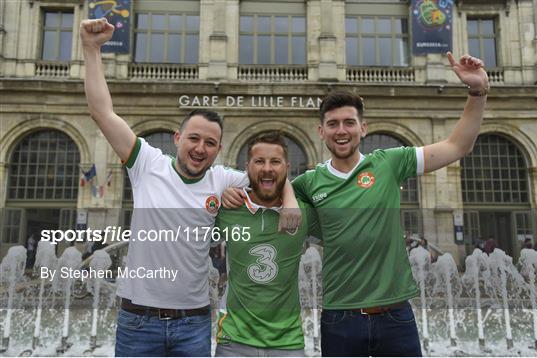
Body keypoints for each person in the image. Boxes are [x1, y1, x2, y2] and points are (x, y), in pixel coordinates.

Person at [80, 18, 300, 356]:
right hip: (139, 320)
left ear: (219, 149)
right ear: (177, 138)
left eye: (210, 143)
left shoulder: (222, 178)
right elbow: (102, 113)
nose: (200, 149)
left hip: (194, 323)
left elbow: (273, 178)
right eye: (194, 139)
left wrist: (290, 202)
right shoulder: (146, 164)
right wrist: (91, 49)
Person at [291, 53, 489, 356]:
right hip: (339, 318)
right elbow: (264, 197)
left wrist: (477, 92)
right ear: (321, 131)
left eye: (348, 122)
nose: (341, 130)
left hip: (396, 315)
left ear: (363, 127)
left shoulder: (390, 162)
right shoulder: (307, 183)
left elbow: (457, 145)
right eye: (332, 124)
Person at [214, 132, 318, 356]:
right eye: (259, 161)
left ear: (287, 167)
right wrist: (221, 192)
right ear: (247, 166)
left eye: (275, 162)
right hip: (233, 342)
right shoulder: (228, 209)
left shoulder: (303, 213)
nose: (267, 168)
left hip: (288, 343)